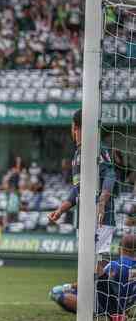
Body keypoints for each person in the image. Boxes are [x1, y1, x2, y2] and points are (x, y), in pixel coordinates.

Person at [48, 109, 117, 272]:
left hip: (100, 218)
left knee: (99, 268)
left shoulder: (96, 148)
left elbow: (110, 174)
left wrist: (102, 202)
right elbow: (77, 189)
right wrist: (60, 210)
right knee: (88, 269)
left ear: (75, 127)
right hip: (84, 217)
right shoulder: (77, 154)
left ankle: (113, 295)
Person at [50, 234, 136, 321]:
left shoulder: (115, 265)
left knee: (56, 293)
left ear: (120, 248)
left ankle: (88, 318)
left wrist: (68, 286)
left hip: (104, 304)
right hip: (125, 305)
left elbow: (96, 280)